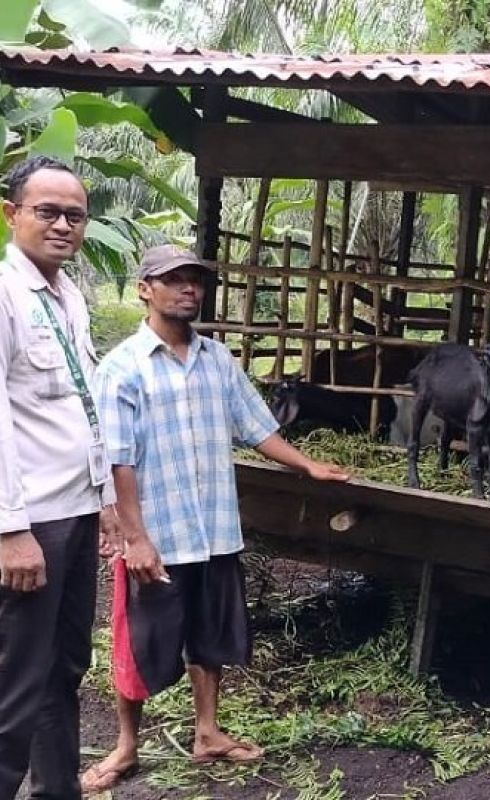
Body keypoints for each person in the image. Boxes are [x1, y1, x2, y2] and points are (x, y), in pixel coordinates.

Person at [81, 245, 349, 792]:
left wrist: (307, 465)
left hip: (215, 530)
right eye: (174, 280)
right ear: (144, 289)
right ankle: (126, 747)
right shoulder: (123, 368)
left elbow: (256, 427)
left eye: (195, 281)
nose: (189, 290)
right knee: (138, 643)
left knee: (209, 636)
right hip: (157, 535)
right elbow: (118, 461)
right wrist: (135, 538)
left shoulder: (218, 360)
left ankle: (208, 733)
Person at [0, 155, 119, 800]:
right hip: (30, 521)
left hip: (72, 512)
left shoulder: (68, 296)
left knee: (64, 667)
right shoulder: (4, 296)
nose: (63, 225)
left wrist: (103, 498)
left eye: (75, 215)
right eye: (47, 211)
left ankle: (57, 792)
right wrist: (9, 530)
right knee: (16, 679)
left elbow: (79, 405)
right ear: (12, 214)